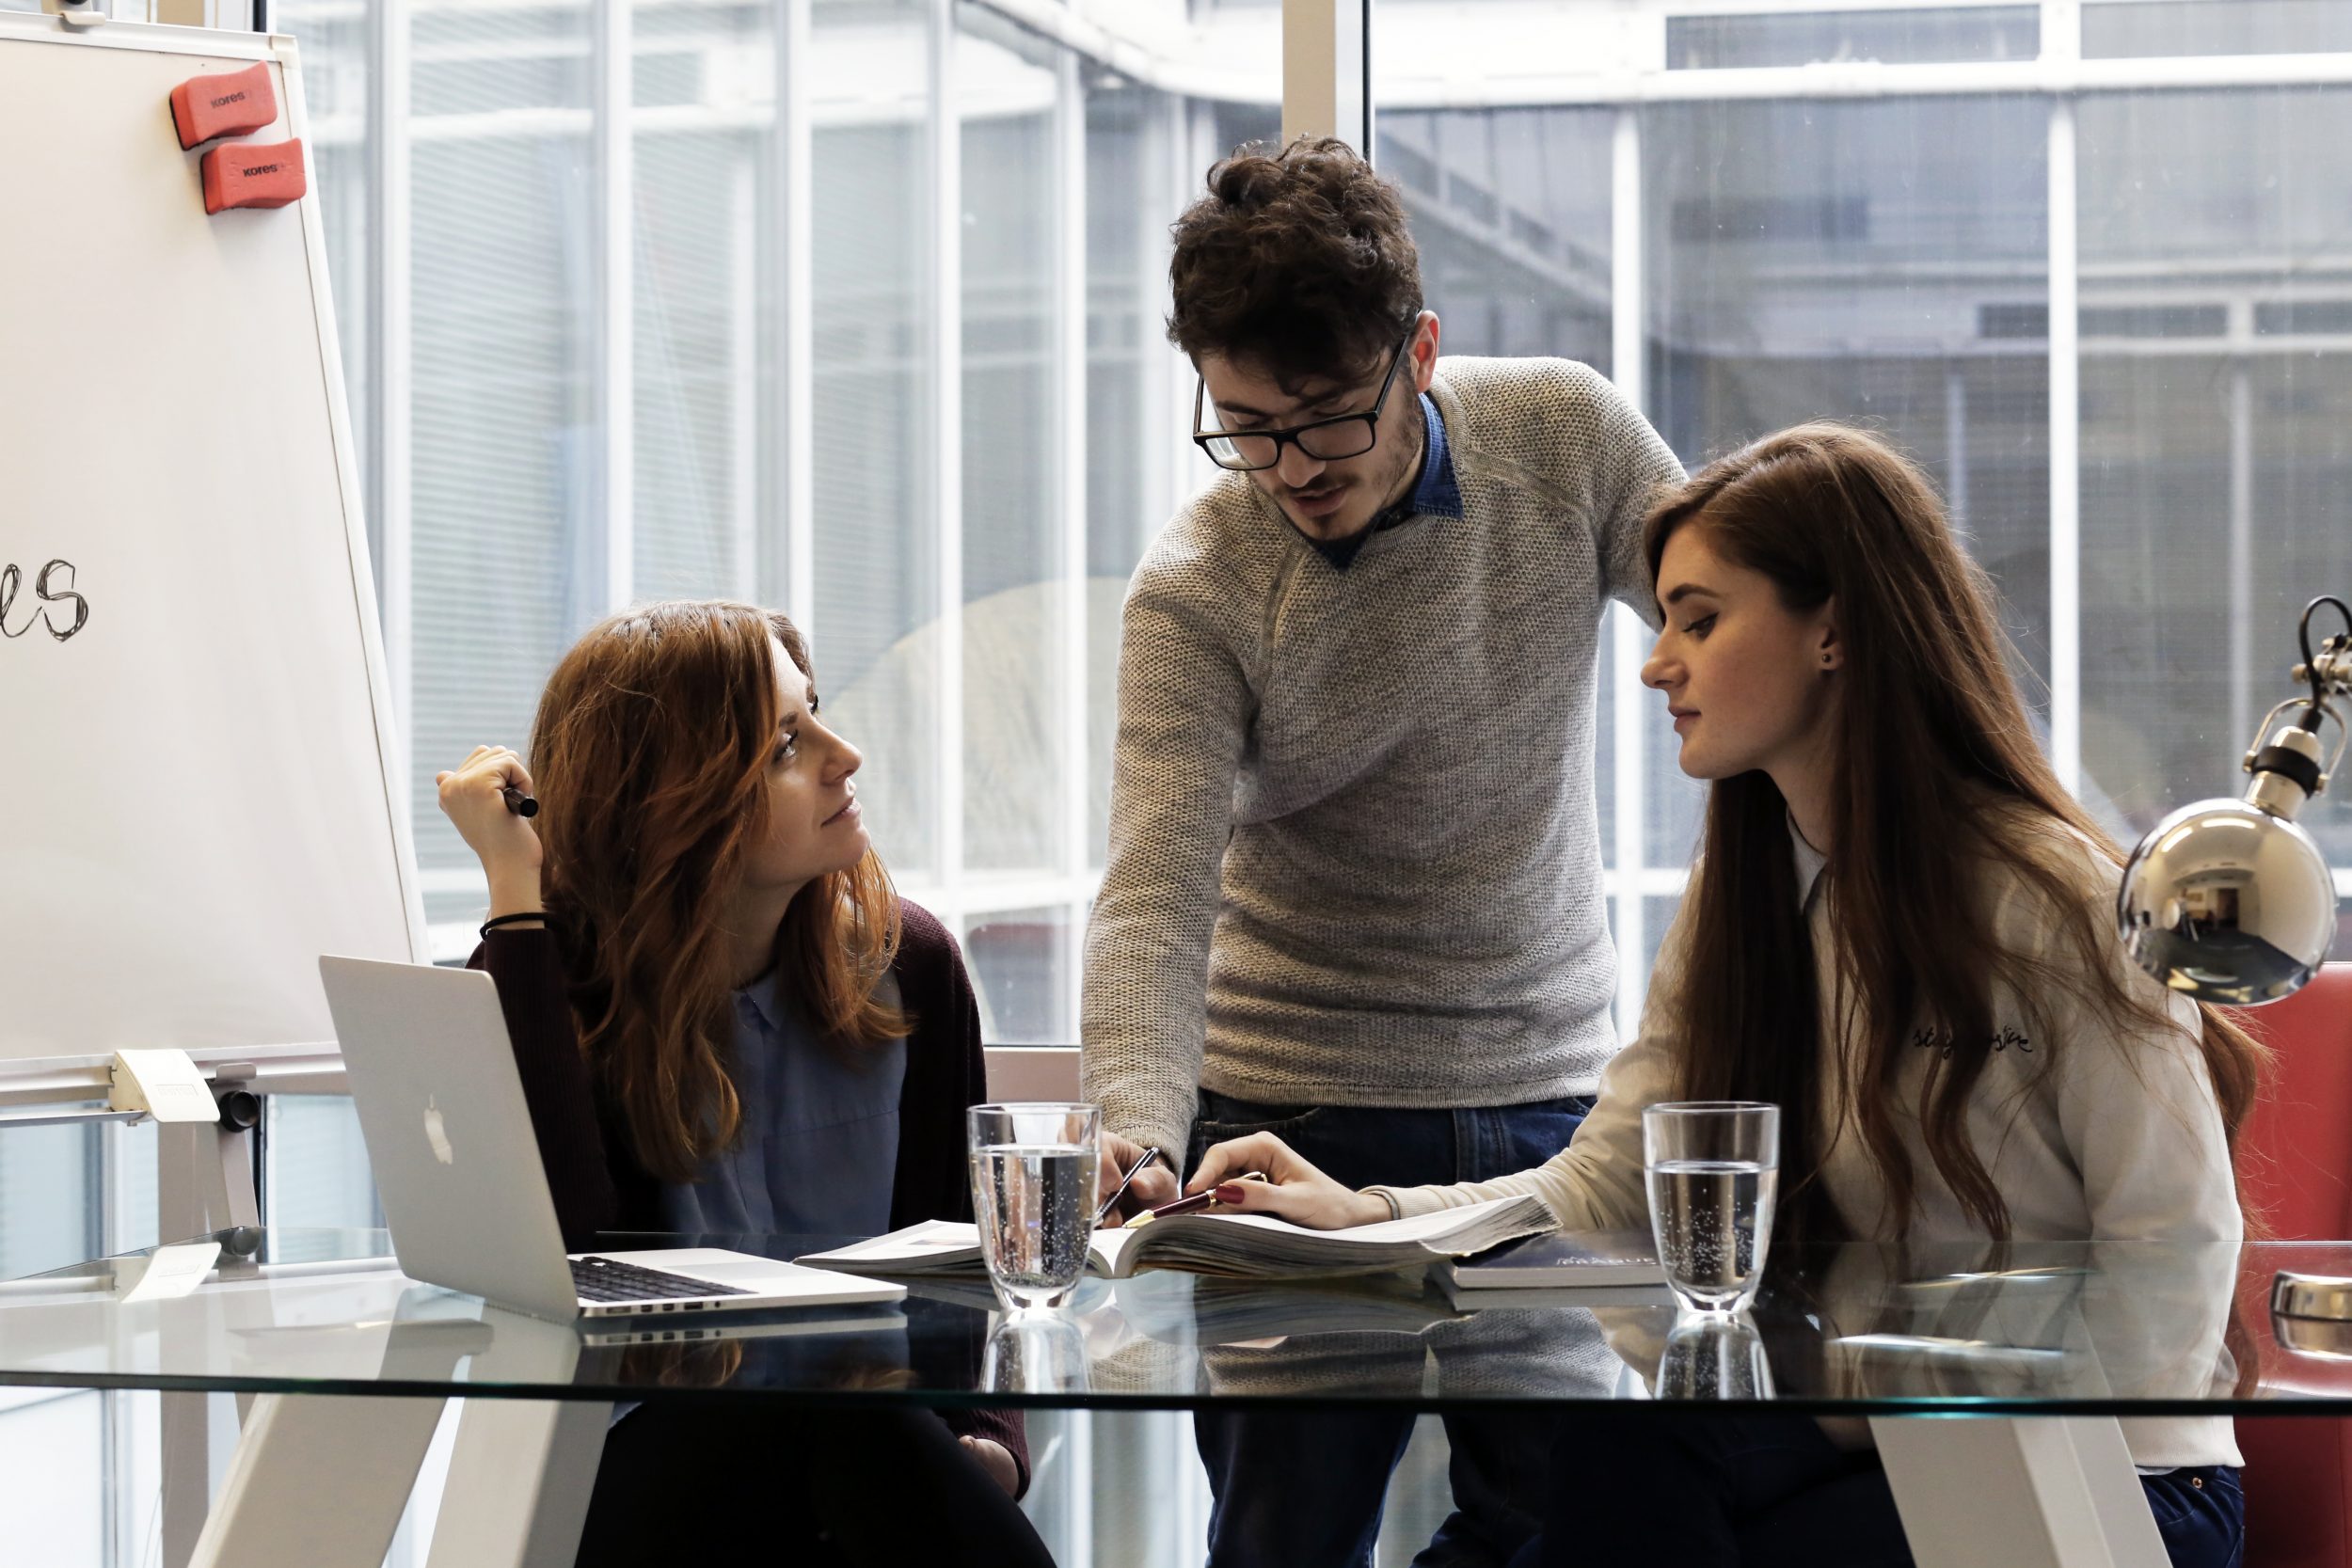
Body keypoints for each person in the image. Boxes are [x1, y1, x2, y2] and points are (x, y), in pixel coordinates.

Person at [1184, 424, 2260, 1568]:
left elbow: (2174, 1238)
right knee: (1610, 1456)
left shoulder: (2058, 894)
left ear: (1834, 629)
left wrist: (1918, 1424)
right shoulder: (1742, 891)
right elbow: (1606, 1181)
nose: (1656, 661)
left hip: (2117, 1471)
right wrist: (1376, 1214)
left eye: (1699, 618)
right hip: (1860, 1436)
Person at [1078, 134, 1686, 1568]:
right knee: (1286, 1538)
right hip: (1288, 1118)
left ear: (1419, 350)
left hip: (1544, 1103)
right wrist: (1134, 1127)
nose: (1286, 466)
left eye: (1326, 418)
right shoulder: (1198, 584)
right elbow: (1155, 891)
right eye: (1243, 424)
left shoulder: (1569, 439)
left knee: (1568, 1527)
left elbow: (1735, 615)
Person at [434, 599, 1054, 1568]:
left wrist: (992, 1438)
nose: (844, 754)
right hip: (635, 1475)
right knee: (828, 1404)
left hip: (865, 1464)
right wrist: (517, 903)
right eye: (783, 745)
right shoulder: (549, 986)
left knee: (851, 1416)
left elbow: (963, 1259)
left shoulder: (912, 964)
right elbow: (558, 1257)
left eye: (815, 713)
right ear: (670, 799)